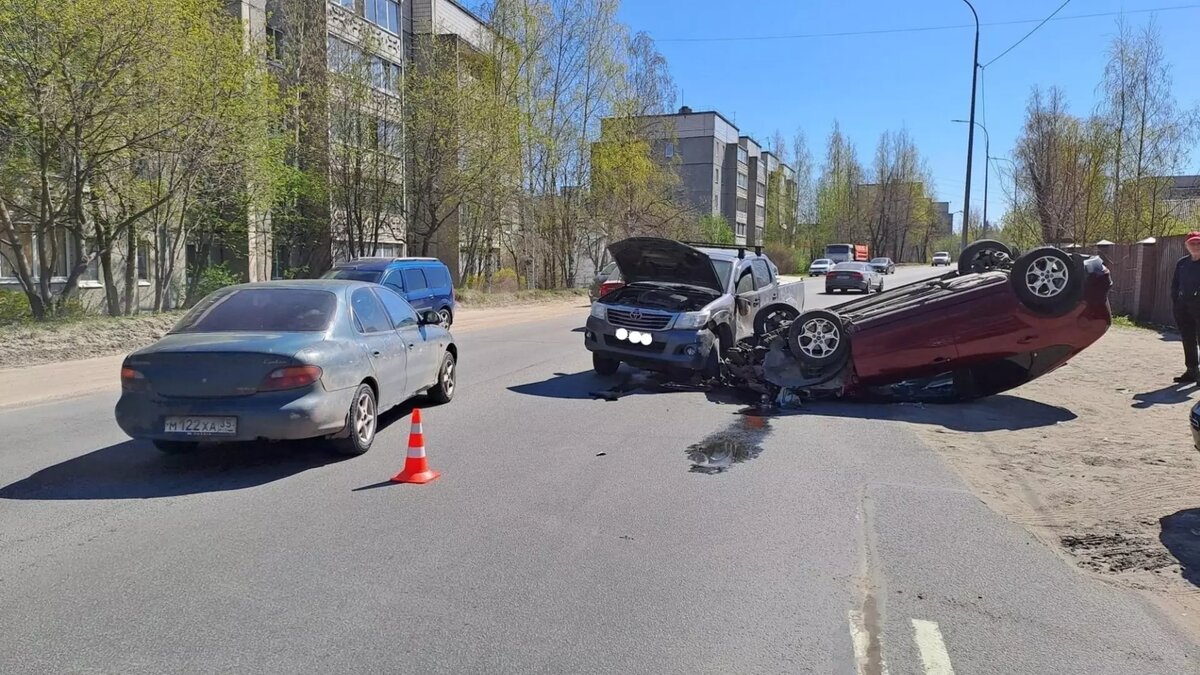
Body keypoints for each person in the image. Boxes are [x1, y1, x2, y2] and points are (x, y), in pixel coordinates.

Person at [1171, 231, 1200, 382]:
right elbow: (1175, 285)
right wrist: (1176, 304)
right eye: (1192, 243)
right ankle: (1192, 371)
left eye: (1198, 243)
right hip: (1184, 308)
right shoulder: (1182, 263)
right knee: (1188, 340)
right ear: (1186, 245)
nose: (1195, 246)